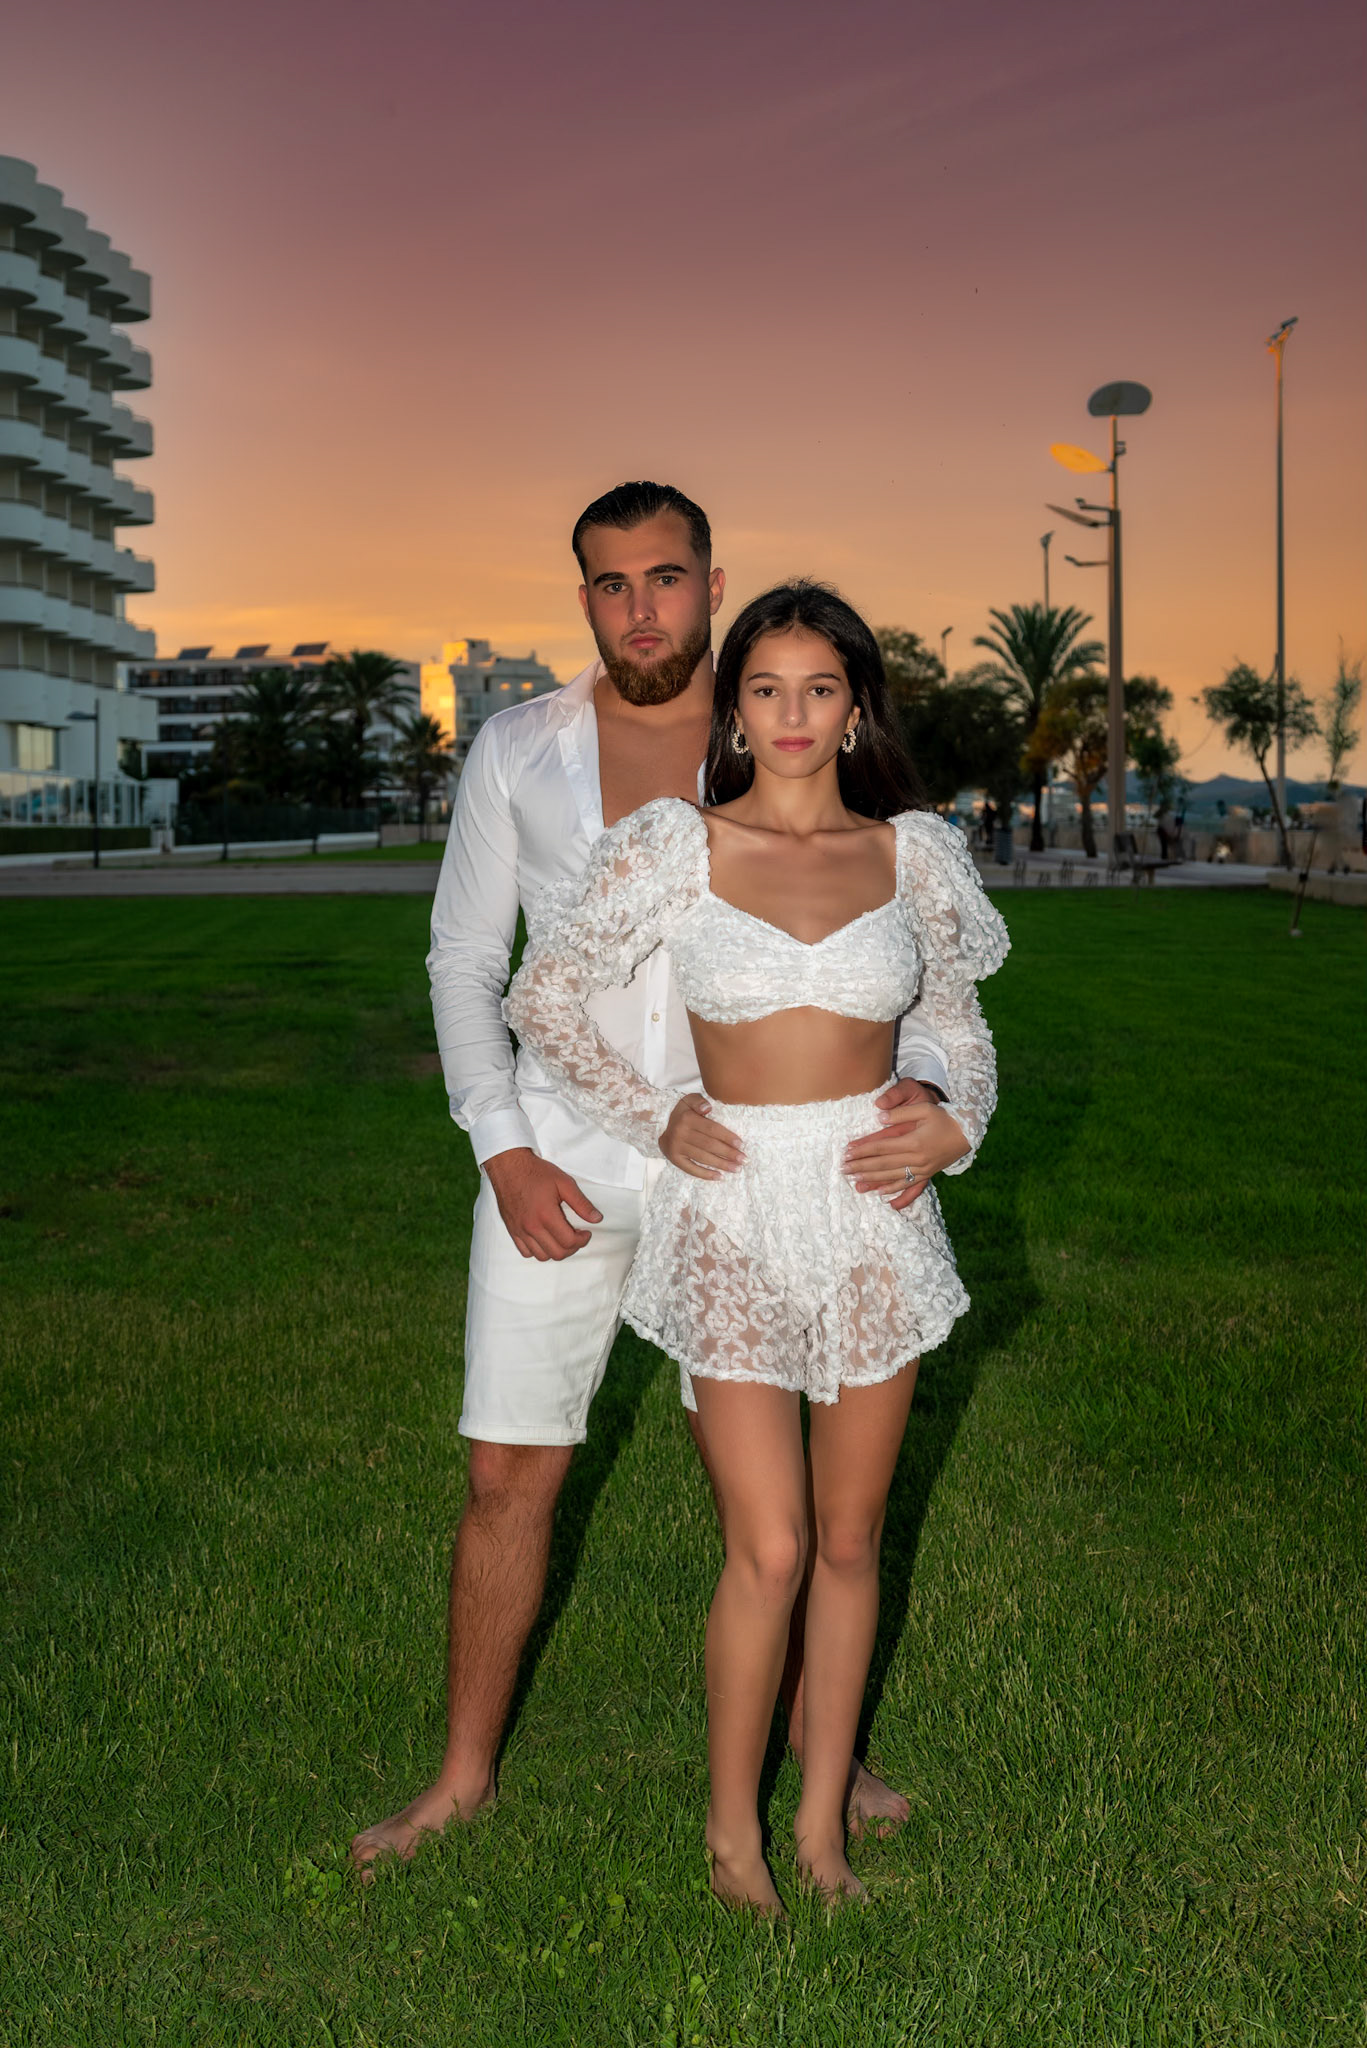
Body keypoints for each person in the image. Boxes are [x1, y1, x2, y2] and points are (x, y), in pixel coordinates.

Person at [350, 487, 957, 1873]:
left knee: (784, 1510)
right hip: (564, 1156)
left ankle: (822, 1751)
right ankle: (461, 1777)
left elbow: (902, 970)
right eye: (611, 583)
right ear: (584, 597)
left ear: (711, 583)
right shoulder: (520, 748)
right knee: (509, 1468)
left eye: (666, 578)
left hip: (757, 1175)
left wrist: (927, 1092)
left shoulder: (780, 728)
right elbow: (468, 960)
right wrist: (501, 1144)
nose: (640, 607)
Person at [505, 580, 1008, 1910]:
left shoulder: (912, 857)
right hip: (728, 1210)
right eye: (768, 689)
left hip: (871, 1209)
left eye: (819, 689)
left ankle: (821, 1834)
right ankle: (734, 1835)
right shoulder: (679, 844)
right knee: (771, 1547)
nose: (793, 714)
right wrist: (655, 1115)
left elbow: (959, 1027)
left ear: (855, 710)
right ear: (736, 708)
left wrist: (954, 1124)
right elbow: (544, 993)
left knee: (849, 1541)